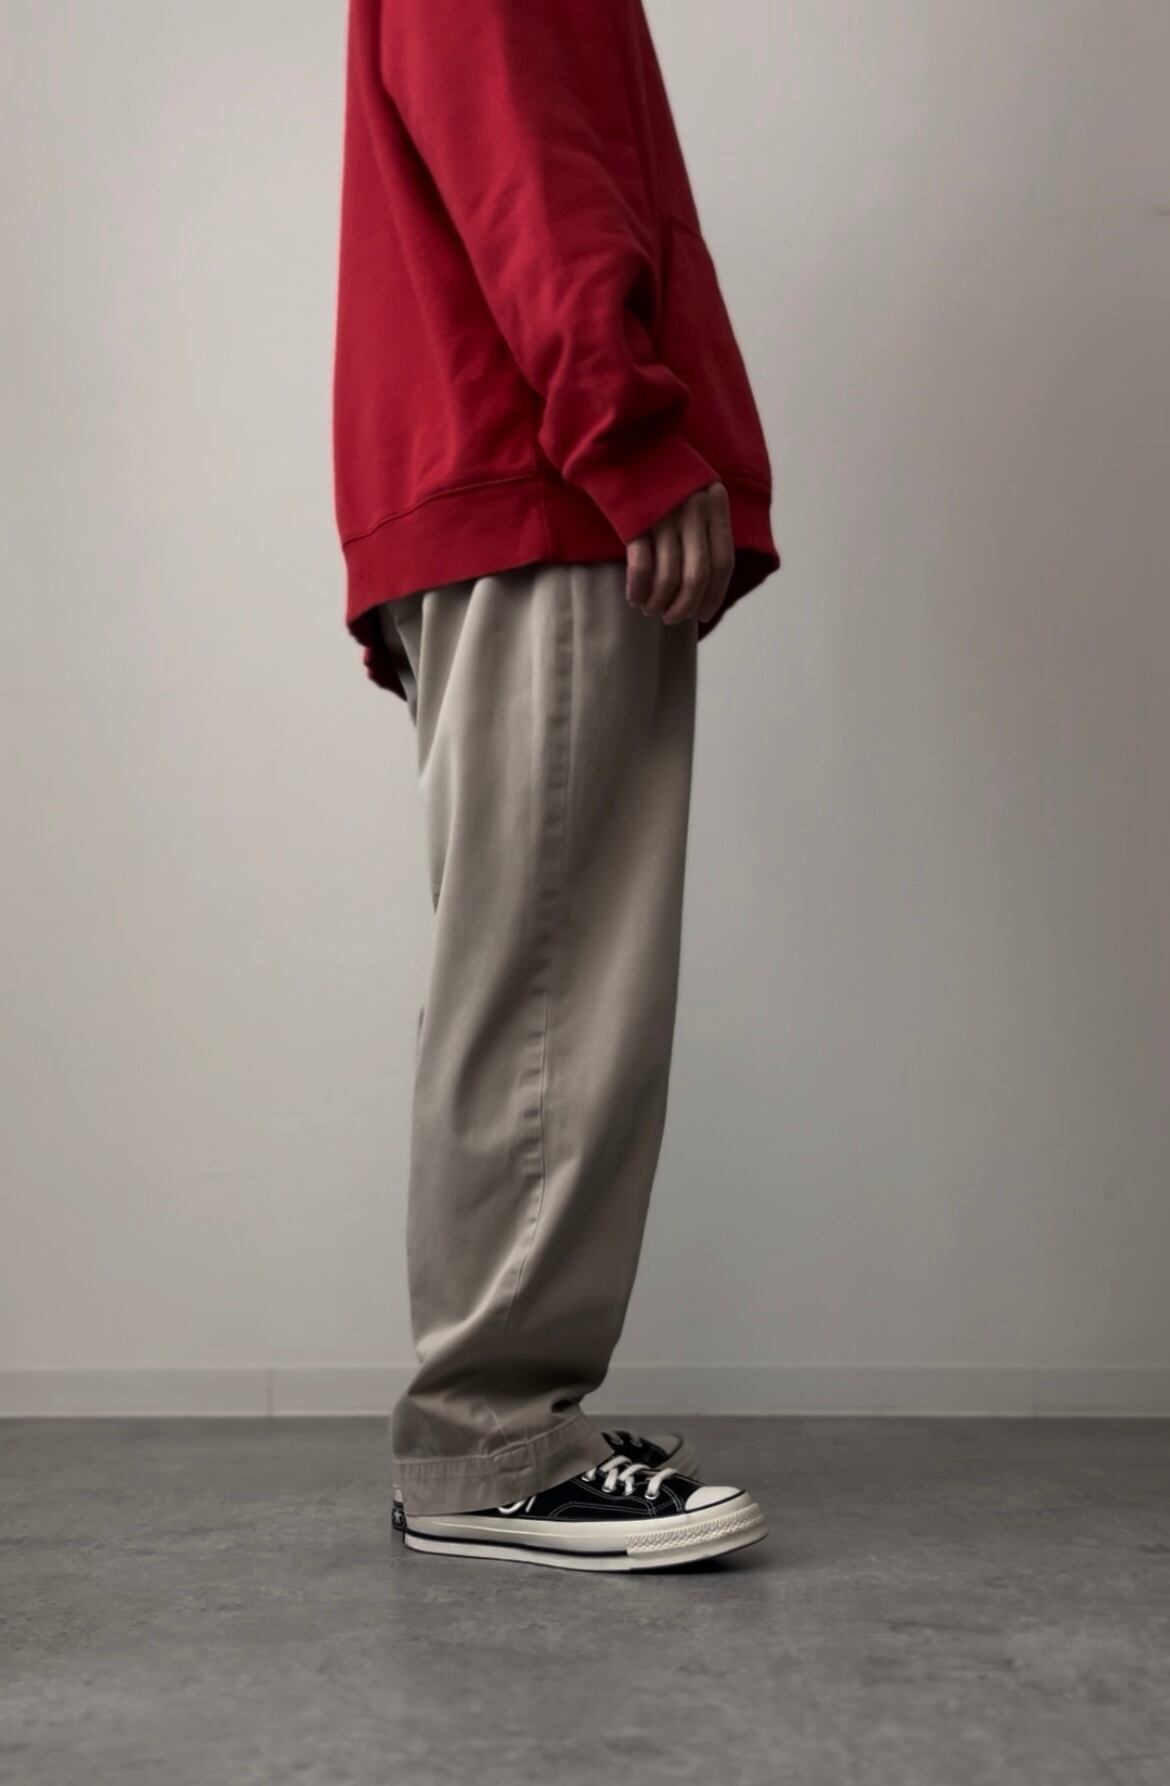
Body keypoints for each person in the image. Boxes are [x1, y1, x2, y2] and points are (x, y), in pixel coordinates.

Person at [332, 0, 780, 1571]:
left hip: (524, 476)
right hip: (546, 475)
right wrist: (627, 432)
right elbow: (525, 165)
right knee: (547, 985)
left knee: (542, 970)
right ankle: (489, 1442)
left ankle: (514, 1417)